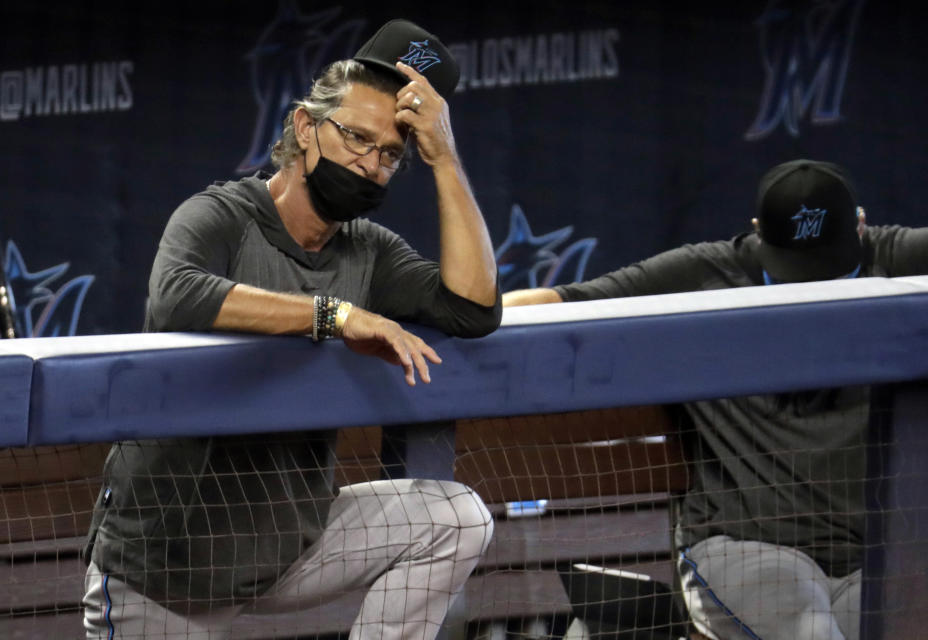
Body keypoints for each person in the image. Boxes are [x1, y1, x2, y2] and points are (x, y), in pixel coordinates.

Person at [82, 19, 500, 640]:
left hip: (287, 552)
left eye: (389, 153)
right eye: (357, 137)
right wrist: (334, 316)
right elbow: (178, 295)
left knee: (456, 517)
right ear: (306, 126)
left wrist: (443, 156)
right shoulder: (220, 215)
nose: (369, 164)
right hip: (167, 573)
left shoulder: (370, 252)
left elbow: (473, 308)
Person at [503, 159, 928, 640]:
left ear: (861, 226)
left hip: (874, 555)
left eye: (831, 269)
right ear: (756, 235)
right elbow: (560, 302)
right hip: (747, 547)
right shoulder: (705, 275)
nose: (816, 289)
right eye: (798, 273)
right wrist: (446, 316)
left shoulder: (897, 259)